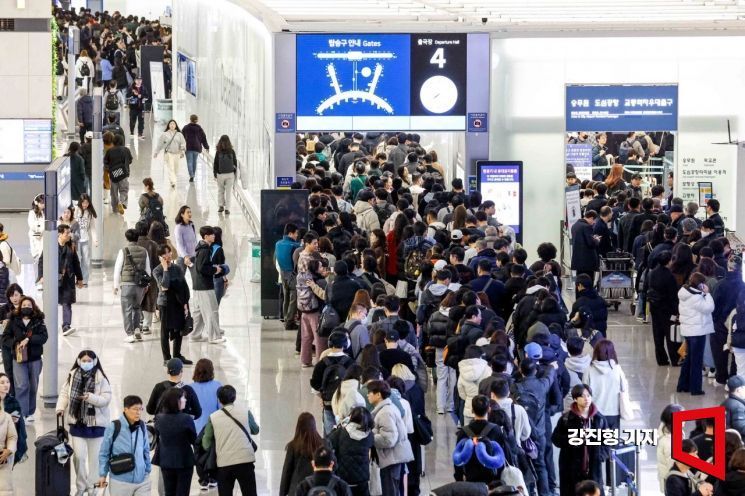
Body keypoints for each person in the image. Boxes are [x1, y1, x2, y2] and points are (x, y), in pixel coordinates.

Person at [56, 350, 112, 496]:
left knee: (95, 461)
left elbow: (106, 400)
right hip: (78, 424)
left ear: (94, 361)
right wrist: (60, 407)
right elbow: (64, 393)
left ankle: (93, 488)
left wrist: (90, 398)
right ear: (79, 360)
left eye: (89, 360)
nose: (86, 362)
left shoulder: (101, 378)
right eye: (83, 360)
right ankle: (81, 487)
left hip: (97, 426)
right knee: (79, 457)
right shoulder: (72, 375)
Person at [201, 385, 260, 496]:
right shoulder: (245, 412)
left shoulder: (213, 417)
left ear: (218, 399)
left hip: (224, 463)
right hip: (245, 461)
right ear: (235, 397)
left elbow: (206, 444)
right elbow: (255, 430)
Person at [552, 384, 609, 496]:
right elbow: (556, 439)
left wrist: (600, 456)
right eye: (582, 396)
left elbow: (608, 441)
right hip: (570, 466)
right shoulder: (566, 419)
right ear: (575, 399)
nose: (586, 399)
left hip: (593, 466)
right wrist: (573, 438)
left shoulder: (599, 419)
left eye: (588, 396)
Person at [367, 380, 414, 496]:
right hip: (391, 458)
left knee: (390, 491)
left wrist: (370, 437)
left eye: (370, 392)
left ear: (378, 395)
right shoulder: (387, 408)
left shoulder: (384, 413)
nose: (367, 395)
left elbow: (389, 439)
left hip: (390, 459)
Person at [98, 395, 152, 495]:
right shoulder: (114, 427)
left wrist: (147, 471)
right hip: (120, 481)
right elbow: (104, 453)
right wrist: (103, 475)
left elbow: (146, 450)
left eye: (140, 409)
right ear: (125, 409)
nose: (138, 412)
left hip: (142, 481)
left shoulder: (142, 426)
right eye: (135, 409)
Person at [7, 296, 47, 422]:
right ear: (20, 307)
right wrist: (16, 343)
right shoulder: (13, 321)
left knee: (33, 386)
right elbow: (5, 338)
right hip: (18, 359)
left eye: (29, 305)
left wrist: (29, 340)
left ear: (33, 307)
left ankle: (30, 412)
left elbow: (43, 337)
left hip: (34, 358)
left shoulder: (39, 321)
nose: (26, 307)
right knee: (21, 385)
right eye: (23, 305)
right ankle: (22, 412)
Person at [38, 224, 83, 336]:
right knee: (51, 303)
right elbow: (41, 261)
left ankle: (66, 326)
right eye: (67, 233)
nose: (69, 235)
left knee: (67, 302)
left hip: (68, 278)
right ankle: (48, 325)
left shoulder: (71, 246)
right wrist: (41, 276)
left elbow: (76, 263)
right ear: (60, 234)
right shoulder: (51, 245)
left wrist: (80, 278)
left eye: (69, 233)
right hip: (53, 279)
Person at [152, 244, 191, 365]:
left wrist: (185, 303)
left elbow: (183, 286)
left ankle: (177, 355)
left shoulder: (177, 268)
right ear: (160, 257)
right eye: (164, 253)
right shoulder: (157, 270)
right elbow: (164, 286)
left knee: (179, 328)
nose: (168, 255)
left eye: (168, 252)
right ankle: (167, 358)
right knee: (165, 331)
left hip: (178, 302)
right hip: (165, 303)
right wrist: (165, 269)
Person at [153, 388, 196, 496]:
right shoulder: (186, 419)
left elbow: (157, 437)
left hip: (166, 461)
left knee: (169, 492)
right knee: (183, 492)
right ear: (175, 401)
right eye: (183, 398)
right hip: (184, 461)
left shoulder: (158, 418)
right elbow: (193, 439)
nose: (185, 400)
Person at [676, 272, 714, 396]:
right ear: (701, 284)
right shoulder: (696, 297)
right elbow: (709, 308)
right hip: (697, 331)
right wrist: (707, 294)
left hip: (688, 330)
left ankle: (682, 385)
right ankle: (695, 388)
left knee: (689, 359)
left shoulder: (685, 293)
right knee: (696, 361)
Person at [310, 331, 354, 435]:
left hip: (328, 403)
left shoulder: (322, 364)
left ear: (330, 344)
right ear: (346, 344)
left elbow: (315, 386)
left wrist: (322, 397)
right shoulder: (350, 363)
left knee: (329, 435)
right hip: (346, 404)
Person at [113, 229, 151, 343]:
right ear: (137, 238)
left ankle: (130, 334)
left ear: (127, 238)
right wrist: (147, 284)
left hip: (127, 284)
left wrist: (115, 285)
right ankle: (137, 329)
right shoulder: (144, 251)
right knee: (137, 307)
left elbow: (117, 269)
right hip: (140, 285)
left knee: (127, 309)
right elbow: (148, 269)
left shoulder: (123, 251)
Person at [189, 226, 225, 344]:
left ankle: (195, 335)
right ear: (206, 237)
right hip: (205, 285)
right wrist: (215, 270)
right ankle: (214, 336)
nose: (214, 236)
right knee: (211, 310)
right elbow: (202, 268)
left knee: (199, 312)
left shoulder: (201, 248)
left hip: (198, 285)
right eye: (211, 234)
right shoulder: (205, 250)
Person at [647, 251, 681, 366]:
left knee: (657, 334)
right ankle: (675, 359)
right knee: (670, 334)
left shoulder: (652, 273)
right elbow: (673, 296)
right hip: (667, 309)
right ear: (668, 261)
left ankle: (661, 359)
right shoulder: (669, 276)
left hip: (655, 307)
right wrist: (676, 311)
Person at [279, 412, 325, 496]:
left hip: (297, 490)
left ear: (298, 428)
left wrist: (282, 493)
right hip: (318, 490)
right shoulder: (324, 444)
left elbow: (287, 472)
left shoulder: (293, 446)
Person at [584, 340, 626, 430]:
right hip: (613, 411)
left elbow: (584, 392)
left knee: (596, 441)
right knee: (612, 441)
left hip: (595, 413)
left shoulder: (589, 370)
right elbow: (624, 388)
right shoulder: (617, 369)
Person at [276, 223, 301, 331]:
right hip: (292, 274)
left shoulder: (277, 244)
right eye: (296, 234)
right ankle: (290, 322)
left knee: (286, 297)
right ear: (290, 233)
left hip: (282, 273)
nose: (296, 236)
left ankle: (286, 317)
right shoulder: (295, 246)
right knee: (293, 298)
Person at [105, 133, 133, 214]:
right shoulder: (126, 150)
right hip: (124, 174)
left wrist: (109, 170)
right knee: (124, 190)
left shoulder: (110, 151)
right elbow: (130, 160)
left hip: (113, 175)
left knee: (113, 193)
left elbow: (106, 162)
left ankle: (115, 209)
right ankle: (122, 202)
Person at [153, 120, 186, 189]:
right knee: (171, 168)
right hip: (169, 153)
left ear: (176, 125)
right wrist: (156, 152)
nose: (172, 125)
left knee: (176, 169)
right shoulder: (164, 134)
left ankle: (173, 180)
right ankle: (173, 182)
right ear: (168, 125)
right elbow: (160, 144)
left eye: (173, 124)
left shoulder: (179, 134)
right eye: (171, 124)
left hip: (177, 154)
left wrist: (182, 151)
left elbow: (183, 143)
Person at [74, 194, 98, 286]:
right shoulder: (75, 209)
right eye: (83, 202)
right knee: (77, 260)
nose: (85, 204)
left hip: (85, 239)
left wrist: (95, 240)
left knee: (86, 260)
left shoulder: (89, 213)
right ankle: (78, 278)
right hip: (75, 239)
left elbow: (92, 227)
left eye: (87, 203)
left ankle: (84, 280)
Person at [571, 210, 601, 282]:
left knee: (580, 281)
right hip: (587, 262)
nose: (593, 223)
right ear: (591, 218)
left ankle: (579, 293)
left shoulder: (575, 225)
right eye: (594, 221)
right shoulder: (586, 227)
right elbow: (591, 243)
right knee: (588, 281)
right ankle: (586, 293)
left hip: (578, 260)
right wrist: (597, 240)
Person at [213, 135, 238, 215]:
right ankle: (227, 209)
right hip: (230, 174)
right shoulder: (232, 151)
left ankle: (221, 206)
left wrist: (215, 173)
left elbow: (215, 163)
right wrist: (234, 173)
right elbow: (235, 163)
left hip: (220, 174)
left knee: (220, 190)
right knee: (228, 192)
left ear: (220, 141)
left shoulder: (218, 151)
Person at [181, 115, 209, 181]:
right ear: (197, 120)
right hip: (197, 147)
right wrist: (206, 147)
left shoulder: (186, 127)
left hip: (188, 147)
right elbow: (203, 138)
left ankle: (191, 175)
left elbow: (181, 137)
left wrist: (181, 146)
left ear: (190, 119)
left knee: (189, 161)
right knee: (194, 161)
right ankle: (193, 174)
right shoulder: (199, 128)